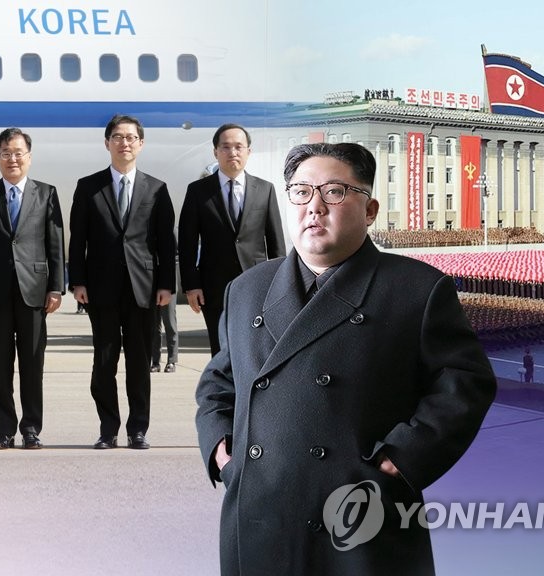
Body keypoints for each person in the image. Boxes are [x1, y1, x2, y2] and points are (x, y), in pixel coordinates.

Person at [195, 143, 496, 574]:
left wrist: (404, 458)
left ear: (370, 210)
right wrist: (221, 451)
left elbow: (465, 382)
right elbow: (219, 382)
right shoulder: (246, 289)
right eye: (301, 192)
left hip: (360, 513)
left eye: (334, 192)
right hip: (260, 511)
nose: (314, 207)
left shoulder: (417, 288)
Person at [68, 114, 176, 450]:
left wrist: (166, 285)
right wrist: (77, 281)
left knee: (139, 362)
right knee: (104, 362)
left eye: (130, 137)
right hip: (101, 289)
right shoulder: (89, 187)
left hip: (144, 289)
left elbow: (165, 242)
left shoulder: (156, 189)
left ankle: (137, 429)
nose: (124, 143)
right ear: (107, 143)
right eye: (117, 137)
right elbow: (77, 239)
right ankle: (108, 428)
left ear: (140, 144)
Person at [0, 127, 64, 450]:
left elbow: (55, 245)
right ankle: (5, 428)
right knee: (1, 364)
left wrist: (56, 287)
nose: (13, 159)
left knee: (33, 364)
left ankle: (31, 428)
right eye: (6, 153)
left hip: (35, 292)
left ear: (29, 157)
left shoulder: (46, 193)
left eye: (18, 153)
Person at [178, 123, 285, 356]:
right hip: (213, 287)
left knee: (254, 351)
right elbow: (187, 243)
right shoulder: (198, 191)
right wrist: (191, 285)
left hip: (257, 286)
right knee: (221, 352)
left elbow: (276, 243)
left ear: (248, 151)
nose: (232, 152)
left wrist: (281, 285)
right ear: (215, 152)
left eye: (238, 147)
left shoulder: (265, 189)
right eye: (225, 147)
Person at [150, 295, 178, 373]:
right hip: (153, 289)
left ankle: (171, 361)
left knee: (170, 323)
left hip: (168, 290)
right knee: (154, 326)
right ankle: (155, 362)